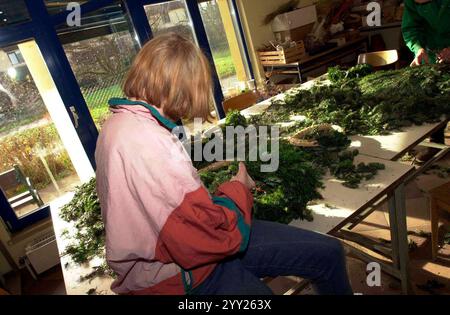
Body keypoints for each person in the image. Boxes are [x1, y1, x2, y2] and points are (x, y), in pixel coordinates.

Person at [95, 33, 353, 295]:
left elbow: (176, 216)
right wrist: (238, 188)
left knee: (328, 253)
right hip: (176, 279)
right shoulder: (150, 143)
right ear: (186, 88)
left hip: (191, 259)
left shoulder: (118, 123)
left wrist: (210, 198)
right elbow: (204, 237)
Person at [402, 0, 449, 160]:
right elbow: (411, 29)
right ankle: (436, 144)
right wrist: (418, 48)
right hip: (433, 54)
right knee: (434, 97)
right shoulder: (411, 3)